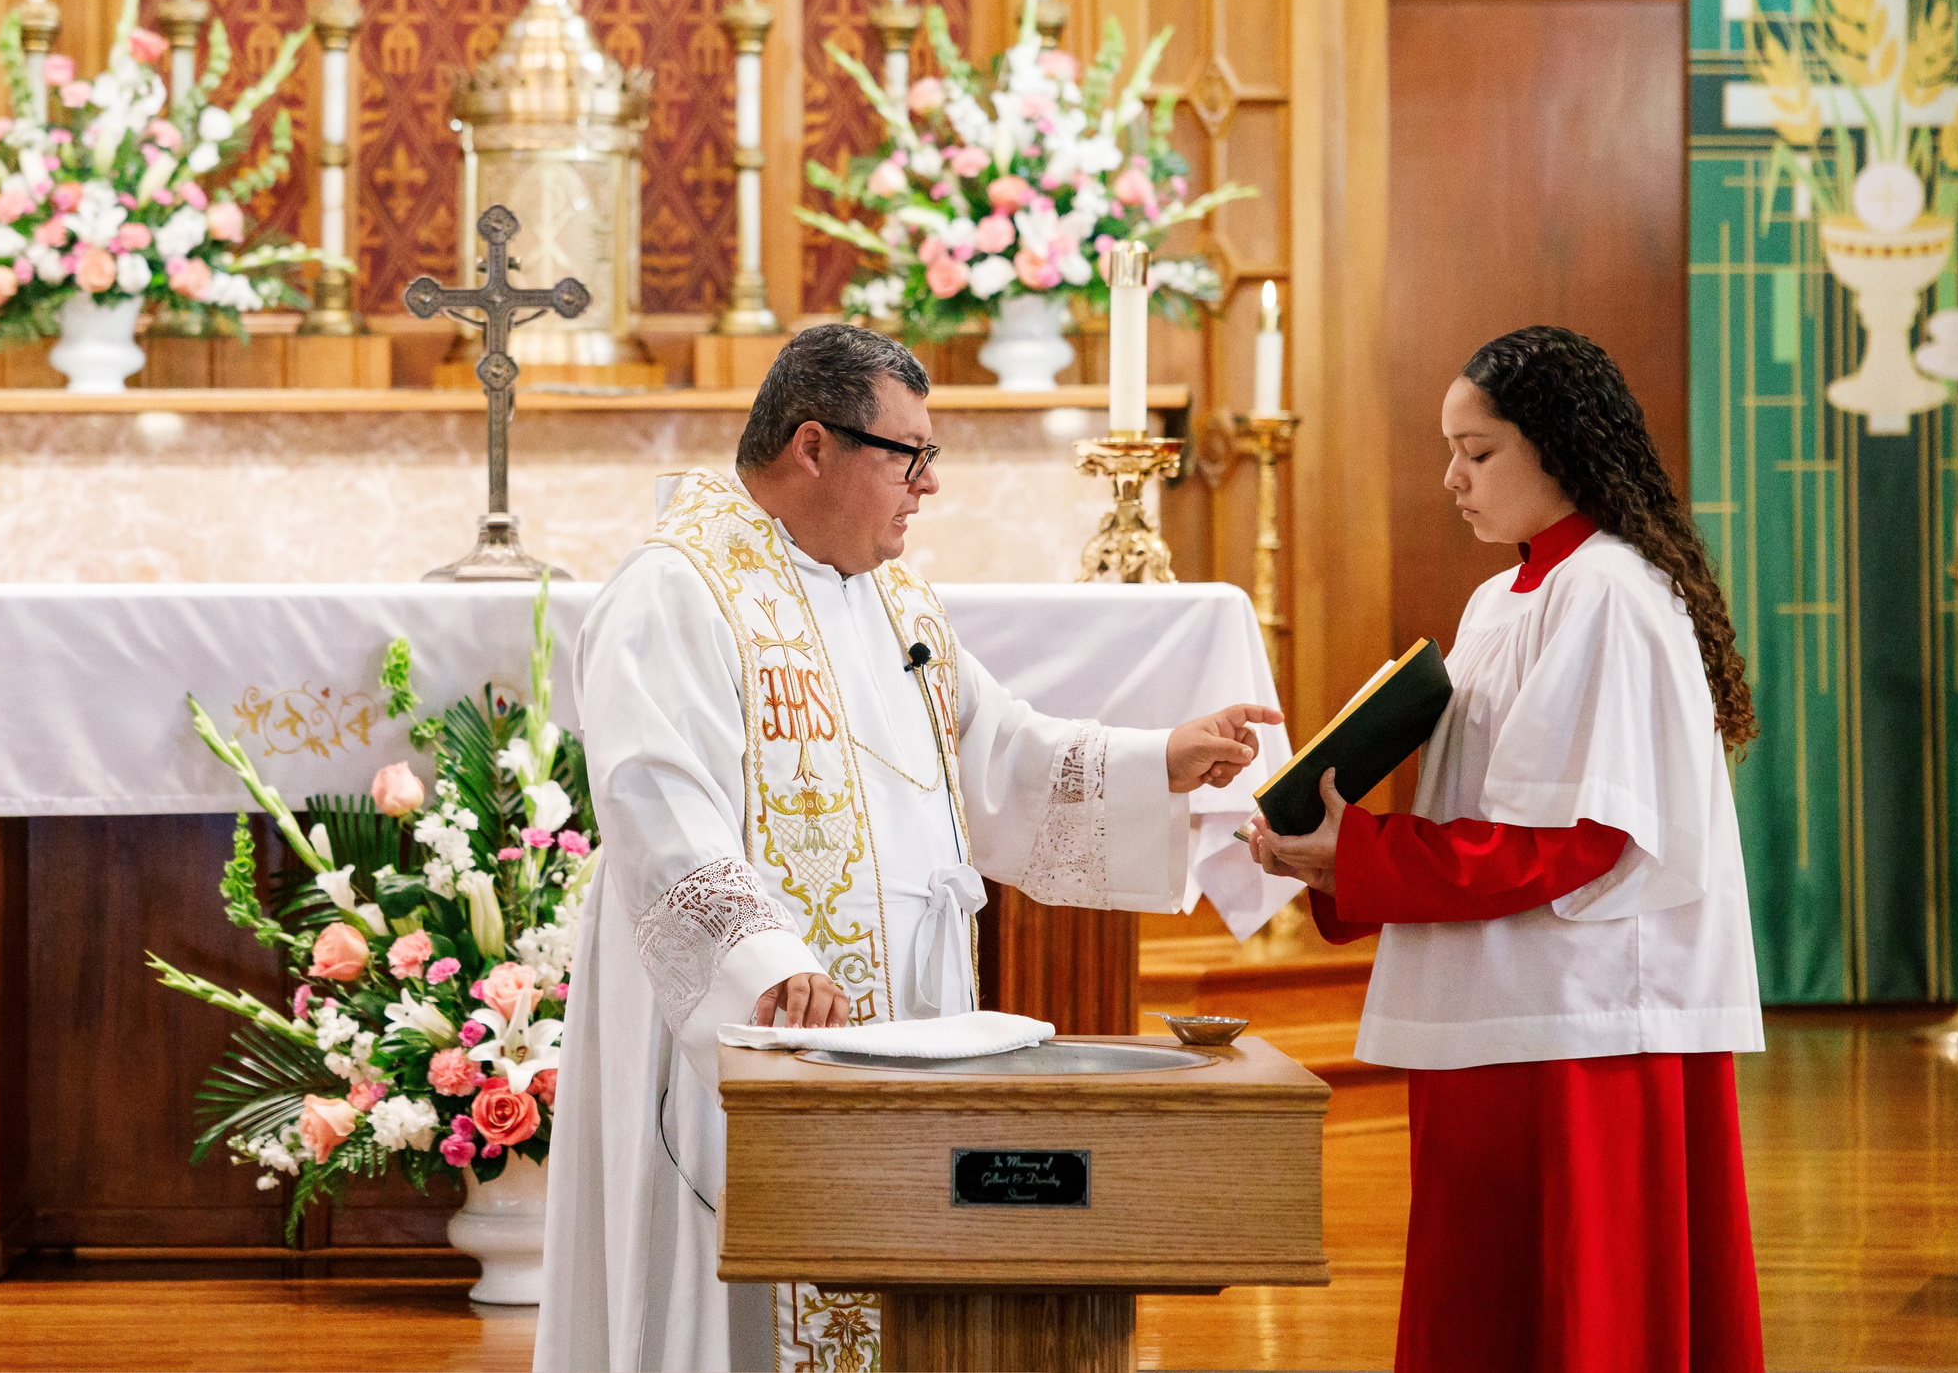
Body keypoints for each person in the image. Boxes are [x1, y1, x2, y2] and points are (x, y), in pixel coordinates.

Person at [536, 324, 1283, 1373]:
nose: (928, 485)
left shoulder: (895, 599)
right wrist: (766, 956)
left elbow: (999, 754)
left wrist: (1161, 756)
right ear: (812, 446)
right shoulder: (678, 589)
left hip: (902, 1028)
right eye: (908, 454)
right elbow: (654, 799)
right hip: (763, 1021)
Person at [1247, 325, 1766, 1373]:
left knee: (1582, 1320)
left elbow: (1575, 839)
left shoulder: (1611, 591)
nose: (1451, 479)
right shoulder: (1505, 596)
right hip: (1500, 1006)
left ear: (1560, 446)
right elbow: (1482, 798)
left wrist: (1368, 860)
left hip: (1584, 1028)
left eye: (1476, 452)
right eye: (1450, 451)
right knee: (1485, 1309)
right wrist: (1335, 855)